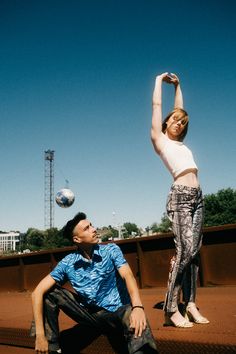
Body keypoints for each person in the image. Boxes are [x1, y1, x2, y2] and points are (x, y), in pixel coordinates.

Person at [31, 212, 158, 354]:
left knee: (134, 317)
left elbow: (128, 276)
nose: (93, 229)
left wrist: (138, 307)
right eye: (86, 228)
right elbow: (37, 292)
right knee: (49, 293)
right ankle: (53, 348)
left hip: (118, 312)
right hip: (91, 316)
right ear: (77, 239)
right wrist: (41, 335)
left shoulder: (111, 250)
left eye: (91, 225)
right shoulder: (68, 263)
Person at [151, 72, 209, 328]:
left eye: (182, 123)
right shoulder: (160, 140)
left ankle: (191, 304)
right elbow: (158, 107)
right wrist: (158, 81)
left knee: (194, 254)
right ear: (165, 124)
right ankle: (170, 308)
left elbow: (180, 109)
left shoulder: (182, 144)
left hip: (198, 197)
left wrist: (178, 86)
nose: (179, 124)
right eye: (174, 121)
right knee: (184, 251)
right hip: (180, 198)